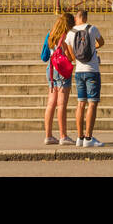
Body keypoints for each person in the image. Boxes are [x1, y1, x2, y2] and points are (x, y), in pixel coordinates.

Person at [65, 10, 104, 147]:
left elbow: (72, 56)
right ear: (86, 18)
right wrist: (93, 47)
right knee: (92, 103)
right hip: (92, 70)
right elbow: (102, 42)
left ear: (77, 18)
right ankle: (89, 138)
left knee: (80, 103)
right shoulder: (92, 29)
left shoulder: (70, 33)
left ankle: (79, 137)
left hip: (79, 71)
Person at [40, 12, 74, 144]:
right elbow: (69, 56)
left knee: (50, 104)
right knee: (61, 105)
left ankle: (48, 135)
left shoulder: (50, 35)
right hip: (63, 70)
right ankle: (63, 136)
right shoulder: (66, 36)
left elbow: (44, 56)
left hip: (51, 69)